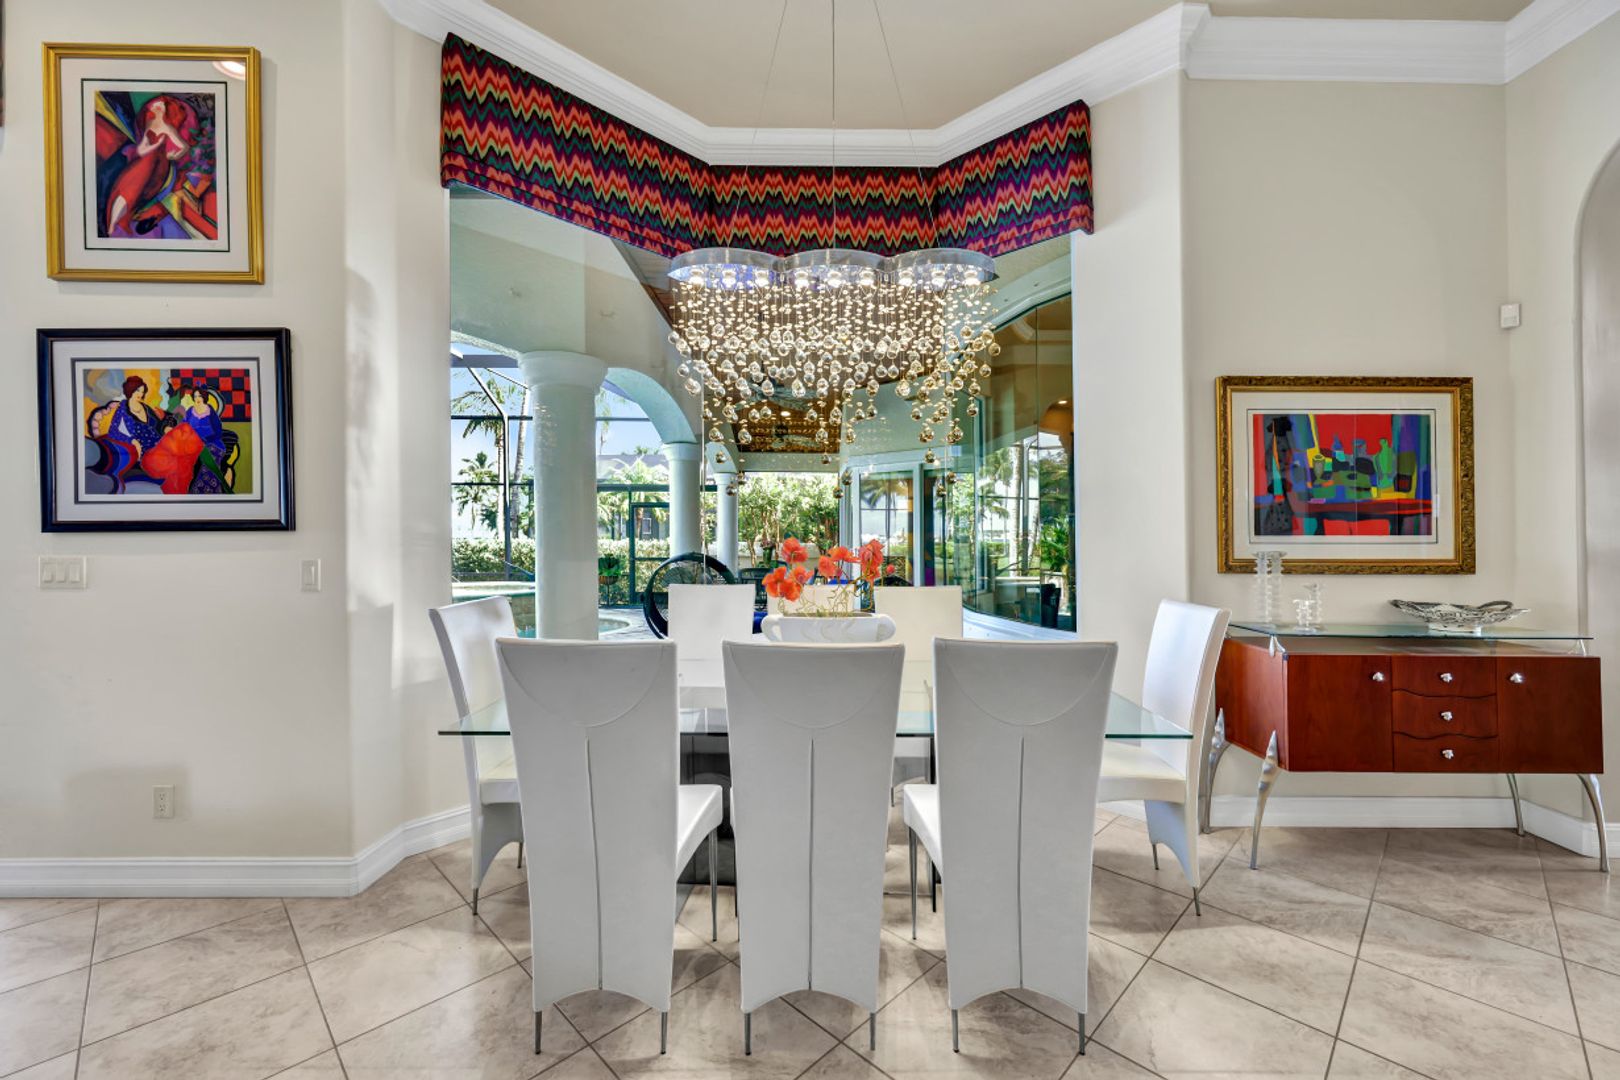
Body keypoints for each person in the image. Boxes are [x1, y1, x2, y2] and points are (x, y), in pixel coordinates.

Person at [103, 95, 196, 238]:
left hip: (160, 164)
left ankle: (119, 223)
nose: (155, 108)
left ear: (167, 111)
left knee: (138, 186)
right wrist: (153, 148)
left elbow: (183, 147)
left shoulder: (167, 127)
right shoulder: (150, 125)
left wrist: (171, 155)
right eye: (154, 106)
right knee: (128, 185)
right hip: (145, 161)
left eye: (160, 106)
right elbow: (141, 149)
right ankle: (114, 224)